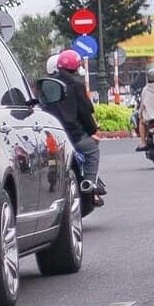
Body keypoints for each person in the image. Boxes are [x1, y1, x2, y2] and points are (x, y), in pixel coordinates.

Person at [49, 49, 103, 196]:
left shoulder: (48, 84)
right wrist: (93, 130)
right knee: (93, 151)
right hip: (73, 135)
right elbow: (85, 112)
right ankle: (89, 185)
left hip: (51, 133)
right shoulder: (77, 85)